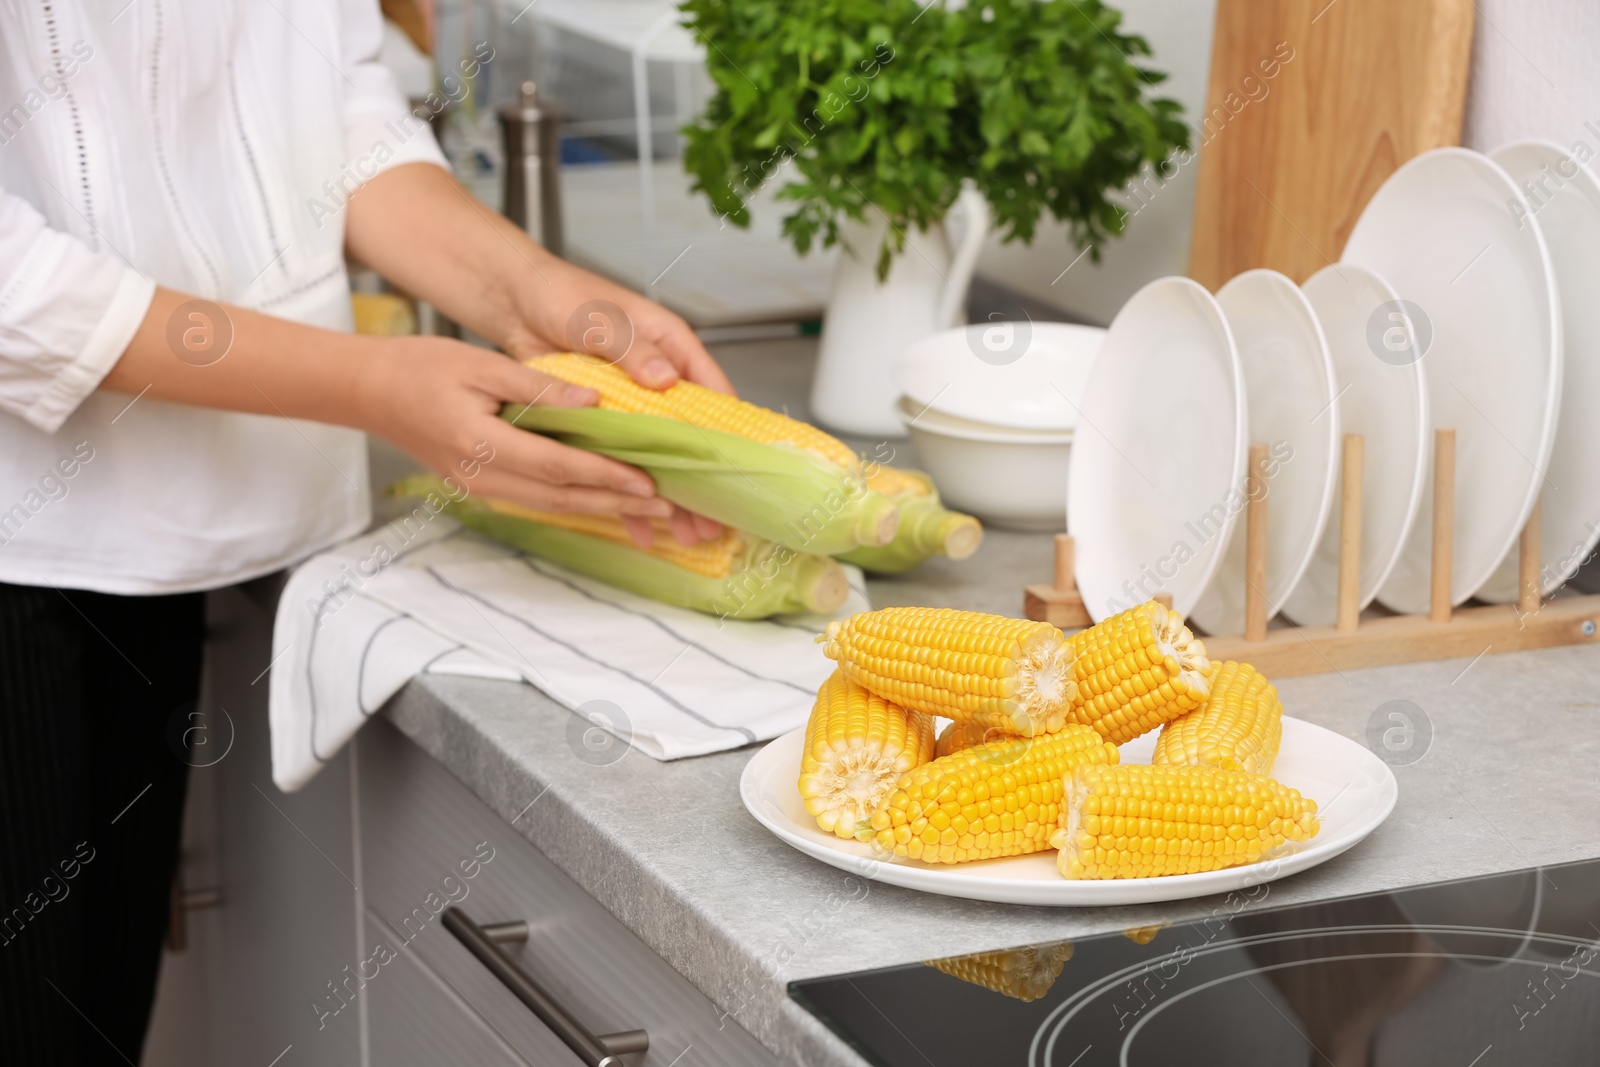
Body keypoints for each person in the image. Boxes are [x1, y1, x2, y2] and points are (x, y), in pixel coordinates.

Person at [0, 2, 727, 1061]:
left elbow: (334, 111)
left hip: (155, 533)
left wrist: (522, 287)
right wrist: (375, 385)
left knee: (91, 1024)